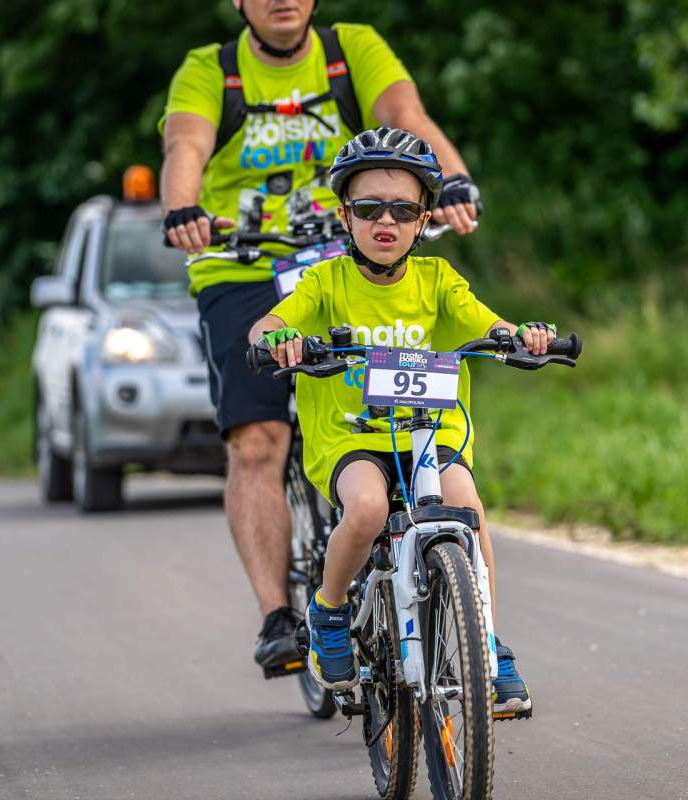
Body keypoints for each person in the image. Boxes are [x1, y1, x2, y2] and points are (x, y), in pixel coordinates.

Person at [158, 0, 482, 677]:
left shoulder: (350, 49)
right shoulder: (211, 69)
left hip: (347, 252)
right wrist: (183, 206)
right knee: (259, 439)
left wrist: (450, 180)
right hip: (241, 262)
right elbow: (185, 144)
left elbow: (407, 120)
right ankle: (280, 614)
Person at [248, 127, 555, 715]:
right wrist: (281, 338)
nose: (384, 220)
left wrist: (521, 338)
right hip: (351, 434)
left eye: (403, 208)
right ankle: (330, 612)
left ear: (423, 219)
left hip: (428, 434)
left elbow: (487, 325)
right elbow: (268, 325)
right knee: (364, 509)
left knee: (466, 506)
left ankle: (485, 646)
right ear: (345, 217)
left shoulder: (439, 279)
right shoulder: (324, 281)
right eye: (368, 208)